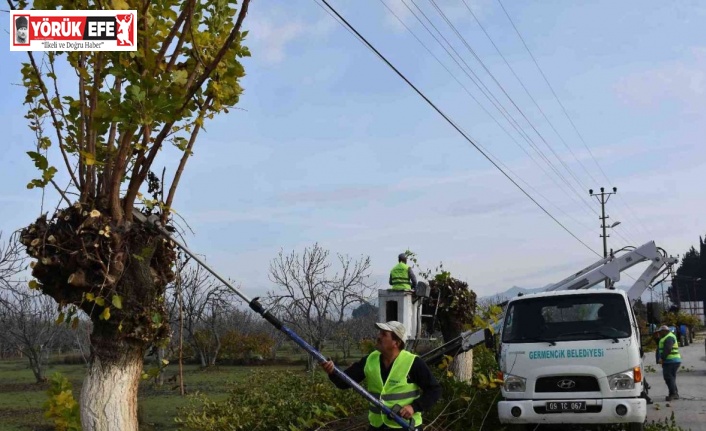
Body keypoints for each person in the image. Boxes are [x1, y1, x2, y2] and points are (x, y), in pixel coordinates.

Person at [320, 321, 441, 430]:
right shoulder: (369, 360)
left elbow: (434, 390)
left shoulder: (413, 362)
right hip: (377, 426)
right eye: (380, 333)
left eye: (384, 334)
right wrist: (332, 372)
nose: (378, 337)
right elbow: (344, 382)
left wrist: (414, 407)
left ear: (396, 342)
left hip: (404, 426)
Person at [655, 325, 682, 401]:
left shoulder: (669, 337)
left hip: (671, 361)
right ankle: (674, 393)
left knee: (668, 377)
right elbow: (660, 346)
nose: (659, 334)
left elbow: (668, 349)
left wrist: (662, 358)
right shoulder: (665, 337)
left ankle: (673, 394)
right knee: (671, 377)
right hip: (670, 361)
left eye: (660, 332)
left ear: (664, 331)